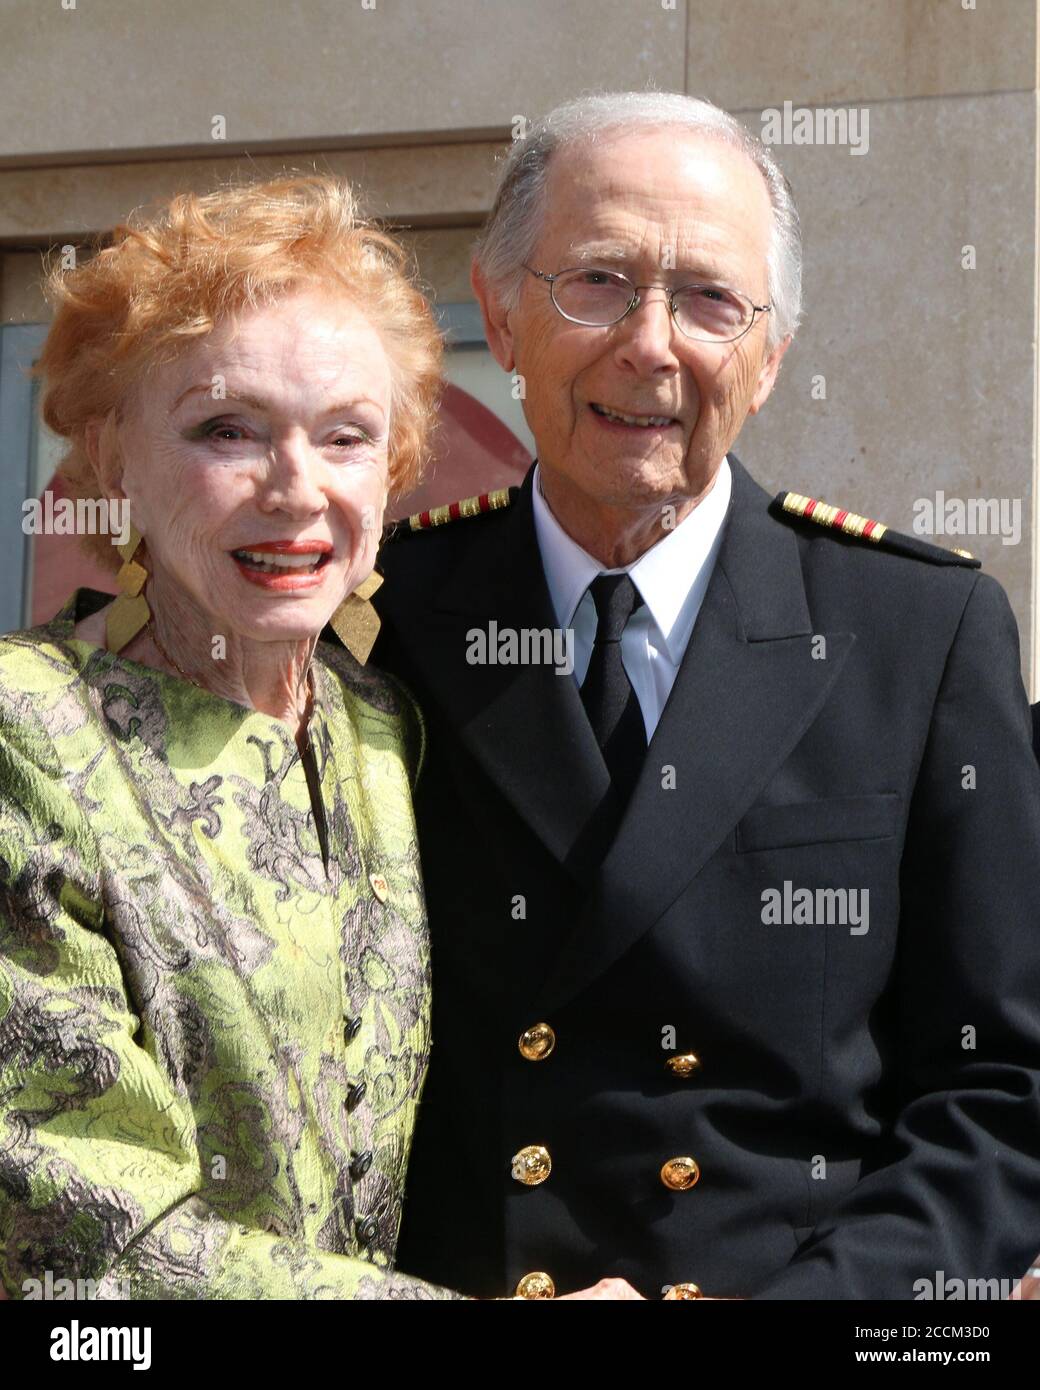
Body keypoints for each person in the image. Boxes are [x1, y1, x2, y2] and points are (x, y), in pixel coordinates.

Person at [370, 91, 1040, 1300]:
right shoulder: (378, 622)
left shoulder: (916, 632)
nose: (651, 343)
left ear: (770, 357)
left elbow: (999, 1089)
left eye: (710, 302)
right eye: (597, 282)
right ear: (501, 316)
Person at [0, 175, 472, 1300]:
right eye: (228, 429)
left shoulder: (378, 730)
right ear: (113, 458)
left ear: (394, 468)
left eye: (346, 437)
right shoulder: (25, 734)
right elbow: (87, 1241)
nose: (296, 489)